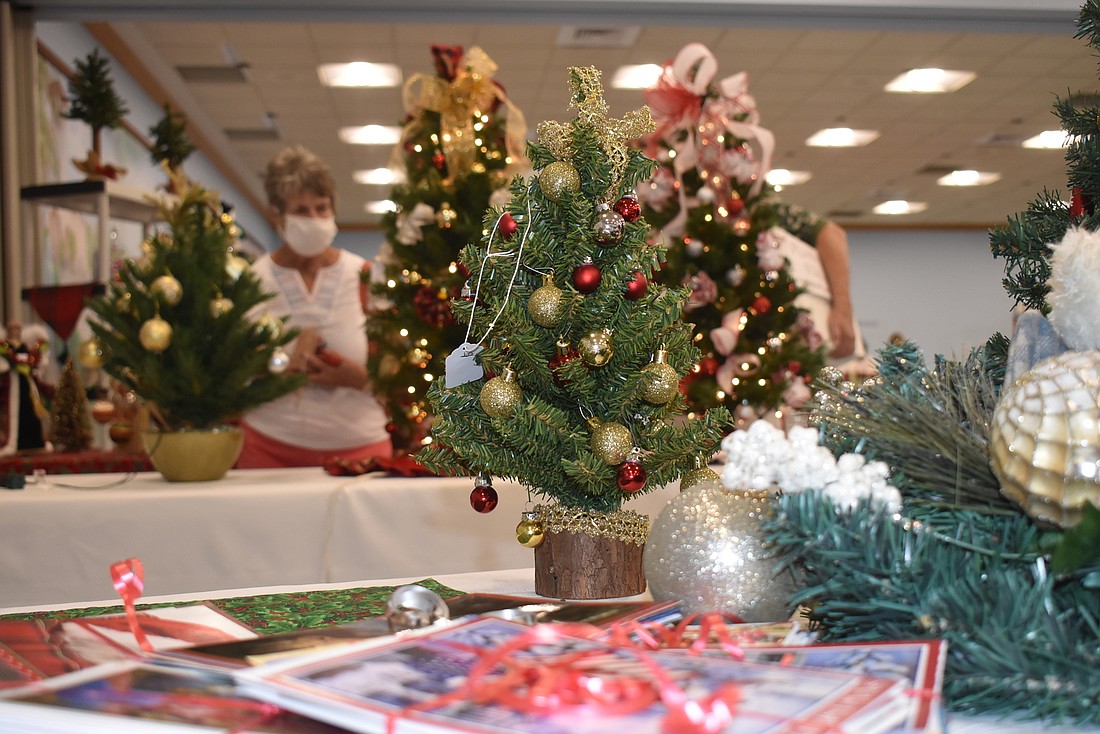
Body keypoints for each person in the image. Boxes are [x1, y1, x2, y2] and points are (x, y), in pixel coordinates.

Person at [236, 145, 391, 468]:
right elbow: (233, 369)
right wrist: (277, 368)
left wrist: (358, 377)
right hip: (269, 448)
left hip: (360, 449)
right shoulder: (252, 281)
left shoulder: (364, 276)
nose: (315, 219)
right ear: (277, 215)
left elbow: (395, 369)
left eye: (322, 208)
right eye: (302, 211)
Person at [0, 320, 50, 454]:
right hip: (13, 382)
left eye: (18, 328)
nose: (16, 331)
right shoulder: (5, 346)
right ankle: (16, 443)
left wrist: (31, 364)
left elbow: (32, 359)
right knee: (14, 411)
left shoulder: (24, 345)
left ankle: (34, 442)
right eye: (13, 329)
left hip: (26, 382)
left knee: (31, 409)